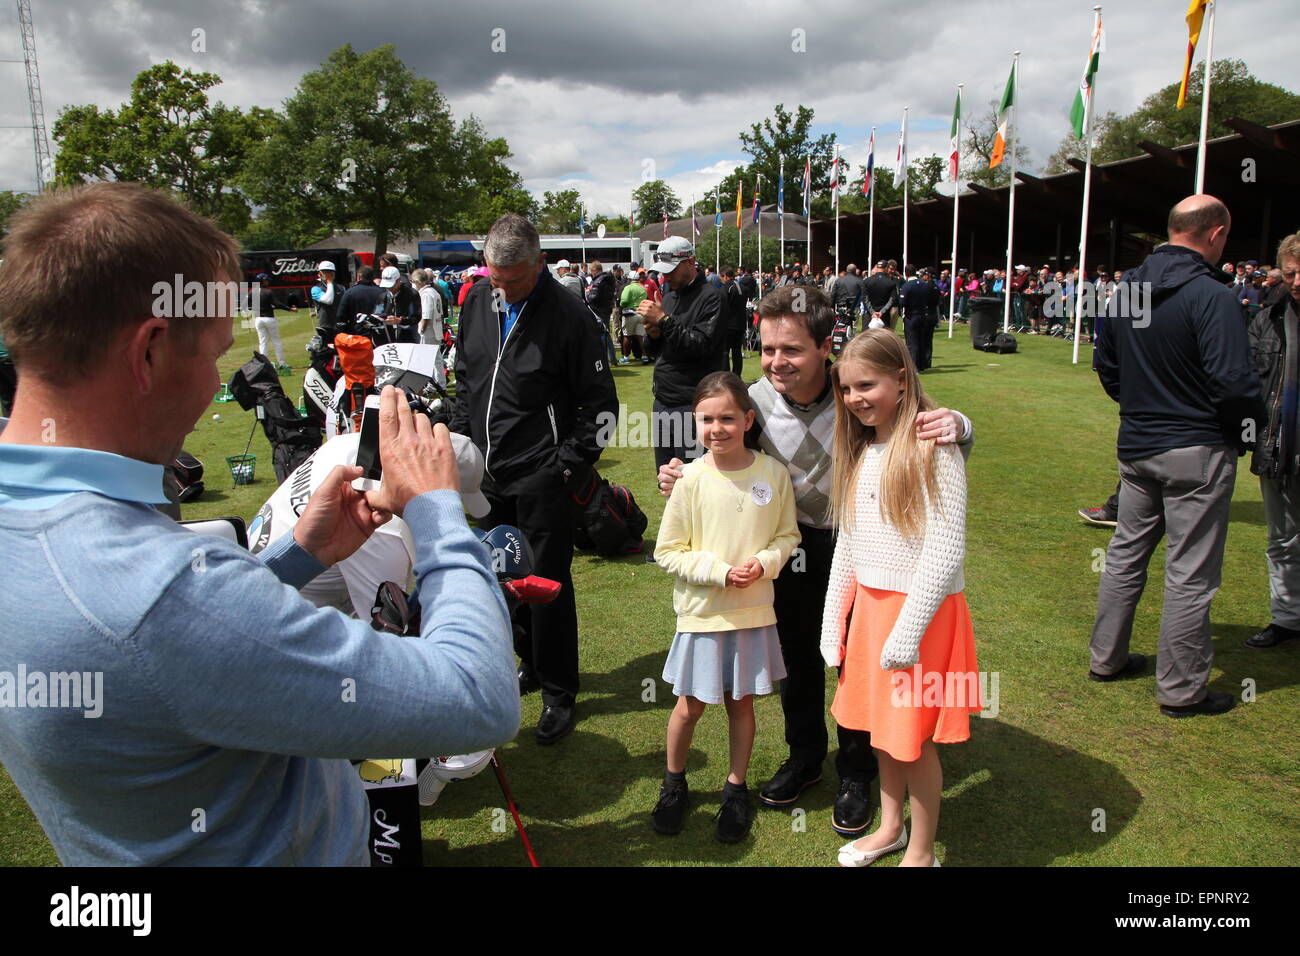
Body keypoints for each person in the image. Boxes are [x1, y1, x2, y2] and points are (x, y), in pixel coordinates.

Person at [0, 182, 519, 865]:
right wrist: (435, 510)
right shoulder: (160, 597)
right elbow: (477, 698)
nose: (215, 379)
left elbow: (175, 660)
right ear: (150, 351)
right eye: (213, 354)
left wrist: (300, 555)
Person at [656, 286, 973, 838]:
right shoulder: (754, 398)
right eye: (767, 347)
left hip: (861, 547)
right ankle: (805, 756)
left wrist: (962, 426)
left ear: (827, 346)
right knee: (798, 653)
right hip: (792, 544)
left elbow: (923, 420)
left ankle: (857, 771)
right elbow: (718, 442)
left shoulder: (855, 387)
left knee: (860, 657)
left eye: (792, 349)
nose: (777, 361)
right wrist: (680, 473)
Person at [1090, 195, 1266, 717]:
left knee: (1125, 555)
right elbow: (1234, 381)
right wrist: (1243, 434)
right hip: (1195, 447)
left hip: (1141, 446)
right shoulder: (1212, 295)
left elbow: (1108, 366)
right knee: (1190, 573)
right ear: (1215, 235)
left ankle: (1106, 658)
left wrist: (1143, 408)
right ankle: (1182, 689)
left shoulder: (1128, 289)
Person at [450, 214, 619, 744]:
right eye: (494, 276)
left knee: (545, 582)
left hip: (541, 475)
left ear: (539, 263)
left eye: (514, 279)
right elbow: (467, 380)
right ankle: (527, 663)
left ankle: (558, 690)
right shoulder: (478, 300)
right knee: (497, 578)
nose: (502, 288)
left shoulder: (570, 315)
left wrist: (562, 468)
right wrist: (460, 440)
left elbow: (602, 409)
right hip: (484, 475)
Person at [820, 329, 975, 867]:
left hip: (921, 616)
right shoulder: (863, 449)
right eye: (846, 388)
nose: (856, 397)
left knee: (912, 738)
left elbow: (945, 547)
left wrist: (908, 631)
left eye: (867, 384)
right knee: (882, 732)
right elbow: (850, 545)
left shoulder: (936, 445)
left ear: (902, 379)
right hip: (872, 611)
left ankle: (923, 850)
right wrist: (832, 619)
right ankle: (890, 826)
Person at [651, 372, 799, 843]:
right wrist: (717, 571)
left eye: (728, 418)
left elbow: (788, 535)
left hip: (754, 613)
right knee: (689, 707)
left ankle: (736, 789)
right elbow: (667, 551)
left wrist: (763, 562)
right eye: (707, 419)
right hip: (703, 613)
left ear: (748, 419)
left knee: (741, 704)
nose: (718, 429)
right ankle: (674, 783)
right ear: (695, 423)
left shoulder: (773, 474)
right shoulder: (690, 479)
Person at [1245, 233, 1300, 649]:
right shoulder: (1267, 318)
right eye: (1292, 272)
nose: (1296, 281)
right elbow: (1248, 380)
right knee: (1281, 539)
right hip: (1279, 447)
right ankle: (1287, 619)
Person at [637, 236, 727, 471]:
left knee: (693, 478)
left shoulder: (712, 297)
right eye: (662, 271)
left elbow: (701, 346)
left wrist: (663, 321)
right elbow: (653, 351)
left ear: (690, 262)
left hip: (692, 404)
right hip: (664, 401)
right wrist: (654, 333)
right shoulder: (667, 297)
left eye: (672, 270)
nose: (666, 276)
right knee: (666, 477)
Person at [411, 268, 447, 385]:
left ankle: (432, 384)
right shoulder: (434, 292)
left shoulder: (425, 294)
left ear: (417, 282)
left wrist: (422, 330)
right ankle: (440, 383)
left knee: (427, 358)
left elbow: (426, 314)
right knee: (437, 358)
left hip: (428, 329)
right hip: (436, 327)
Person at [900, 267, 939, 372]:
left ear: (906, 273)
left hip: (911, 315)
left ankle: (913, 366)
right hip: (923, 315)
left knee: (912, 342)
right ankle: (921, 365)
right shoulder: (924, 285)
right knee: (922, 340)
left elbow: (902, 303)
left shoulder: (907, 286)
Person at [251, 272, 290, 373]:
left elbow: (248, 304)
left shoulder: (252, 292)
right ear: (262, 281)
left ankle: (265, 364)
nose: (268, 282)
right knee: (276, 341)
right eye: (266, 280)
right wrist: (289, 309)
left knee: (262, 342)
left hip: (258, 319)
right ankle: (282, 363)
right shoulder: (268, 292)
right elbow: (277, 303)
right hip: (269, 318)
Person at [335, 265, 387, 337]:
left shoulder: (349, 292)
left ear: (358, 276)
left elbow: (340, 316)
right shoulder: (382, 292)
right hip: (378, 335)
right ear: (373, 277)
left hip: (356, 335)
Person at [721, 266, 748, 376]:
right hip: (741, 323)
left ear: (725, 276)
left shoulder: (727, 287)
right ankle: (737, 375)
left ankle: (726, 375)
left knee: (725, 351)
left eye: (721, 277)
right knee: (737, 351)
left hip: (729, 324)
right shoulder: (743, 286)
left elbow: (723, 306)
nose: (721, 280)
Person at [310, 260, 347, 340]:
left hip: (340, 325)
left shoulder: (341, 288)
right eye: (325, 272)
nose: (329, 274)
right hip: (325, 326)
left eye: (331, 271)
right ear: (320, 274)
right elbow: (328, 300)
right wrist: (329, 282)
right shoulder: (316, 289)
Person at [619, 267, 648, 364]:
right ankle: (645, 356)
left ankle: (626, 357)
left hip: (630, 314)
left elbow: (624, 302)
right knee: (641, 336)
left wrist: (622, 305)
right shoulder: (642, 288)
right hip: (641, 313)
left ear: (630, 279)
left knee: (627, 336)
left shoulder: (628, 288)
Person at [863, 261, 898, 332]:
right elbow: (892, 299)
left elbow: (865, 298)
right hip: (884, 316)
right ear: (886, 268)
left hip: (869, 315)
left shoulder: (867, 281)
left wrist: (872, 312)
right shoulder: (891, 283)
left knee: (866, 338)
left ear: (877, 268)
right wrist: (882, 312)